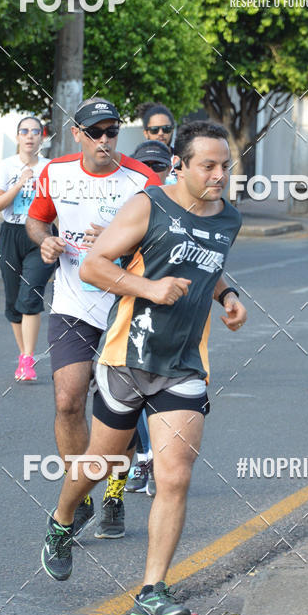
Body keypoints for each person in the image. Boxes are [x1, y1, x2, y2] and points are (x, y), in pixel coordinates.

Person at [40, 120, 247, 615]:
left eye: (224, 166)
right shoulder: (148, 205)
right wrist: (150, 289)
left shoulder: (228, 219)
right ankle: (64, 518)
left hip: (183, 365)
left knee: (173, 476)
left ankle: (152, 591)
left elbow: (207, 262)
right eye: (208, 166)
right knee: (96, 466)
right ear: (181, 164)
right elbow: (92, 266)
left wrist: (227, 296)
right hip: (126, 360)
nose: (219, 175)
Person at [26, 98, 161, 542]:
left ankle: (114, 495)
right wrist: (45, 243)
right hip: (73, 302)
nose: (104, 141)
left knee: (120, 409)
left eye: (112, 132)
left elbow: (165, 240)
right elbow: (35, 221)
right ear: (77, 134)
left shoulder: (142, 180)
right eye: (95, 132)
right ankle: (79, 492)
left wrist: (122, 244)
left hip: (128, 306)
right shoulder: (56, 173)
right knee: (68, 400)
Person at [123, 139, 174, 495]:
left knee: (162, 393)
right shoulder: (127, 203)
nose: (153, 175)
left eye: (160, 168)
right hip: (130, 310)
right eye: (146, 168)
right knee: (132, 391)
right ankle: (145, 458)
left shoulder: (181, 206)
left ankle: (161, 459)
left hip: (172, 315)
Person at [0, 116, 54, 381]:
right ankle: (23, 357)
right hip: (12, 234)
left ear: (42, 137)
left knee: (30, 295)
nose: (30, 136)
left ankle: (28, 359)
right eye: (24, 132)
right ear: (18, 137)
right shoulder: (6, 167)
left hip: (40, 236)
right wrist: (20, 182)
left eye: (35, 132)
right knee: (14, 302)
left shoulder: (51, 168)